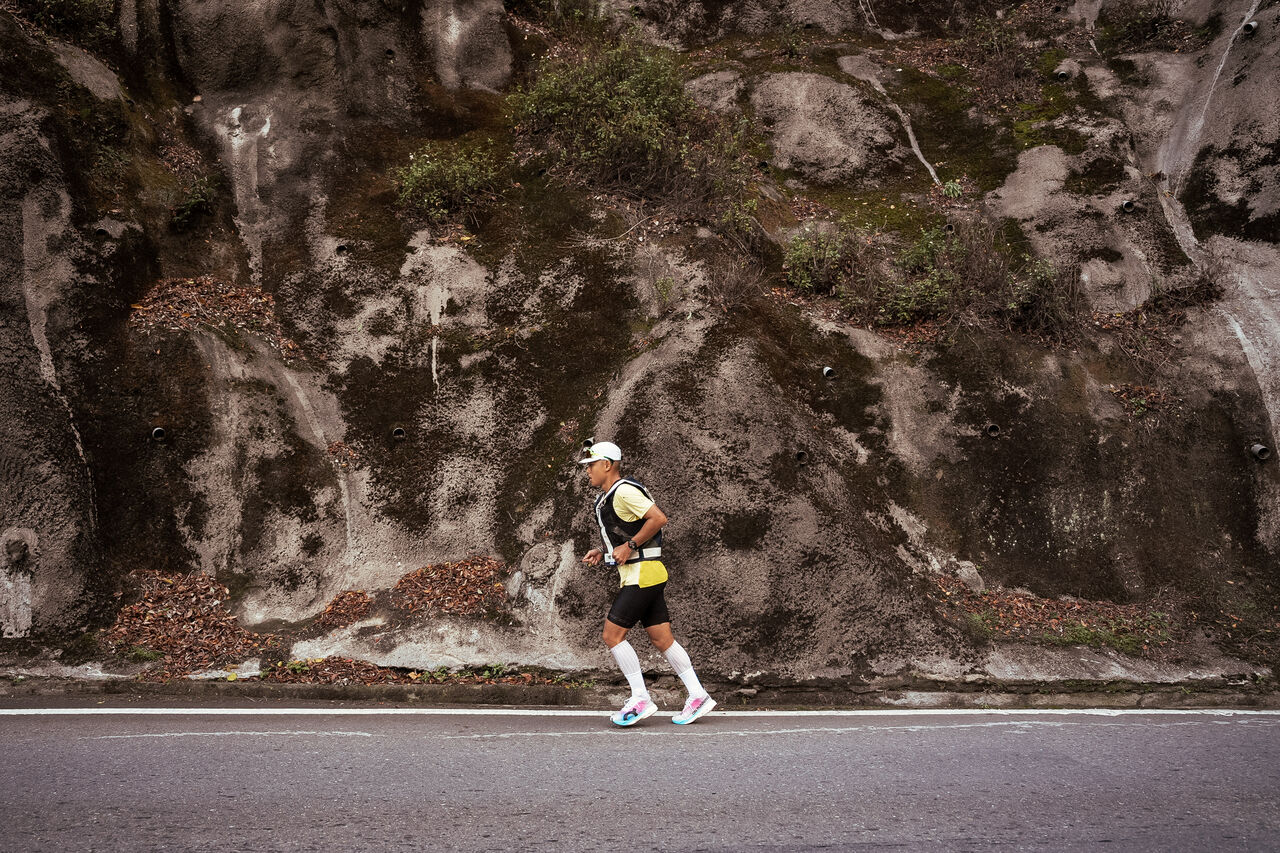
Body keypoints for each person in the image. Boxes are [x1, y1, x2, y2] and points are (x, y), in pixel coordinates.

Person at [579, 440, 716, 726]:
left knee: (612, 635)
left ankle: (640, 698)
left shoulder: (624, 491)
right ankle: (697, 694)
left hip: (642, 576)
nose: (587, 471)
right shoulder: (607, 497)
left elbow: (658, 518)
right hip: (645, 573)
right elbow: (630, 546)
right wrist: (604, 554)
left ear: (607, 465)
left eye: (591, 465)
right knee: (661, 638)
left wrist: (629, 544)